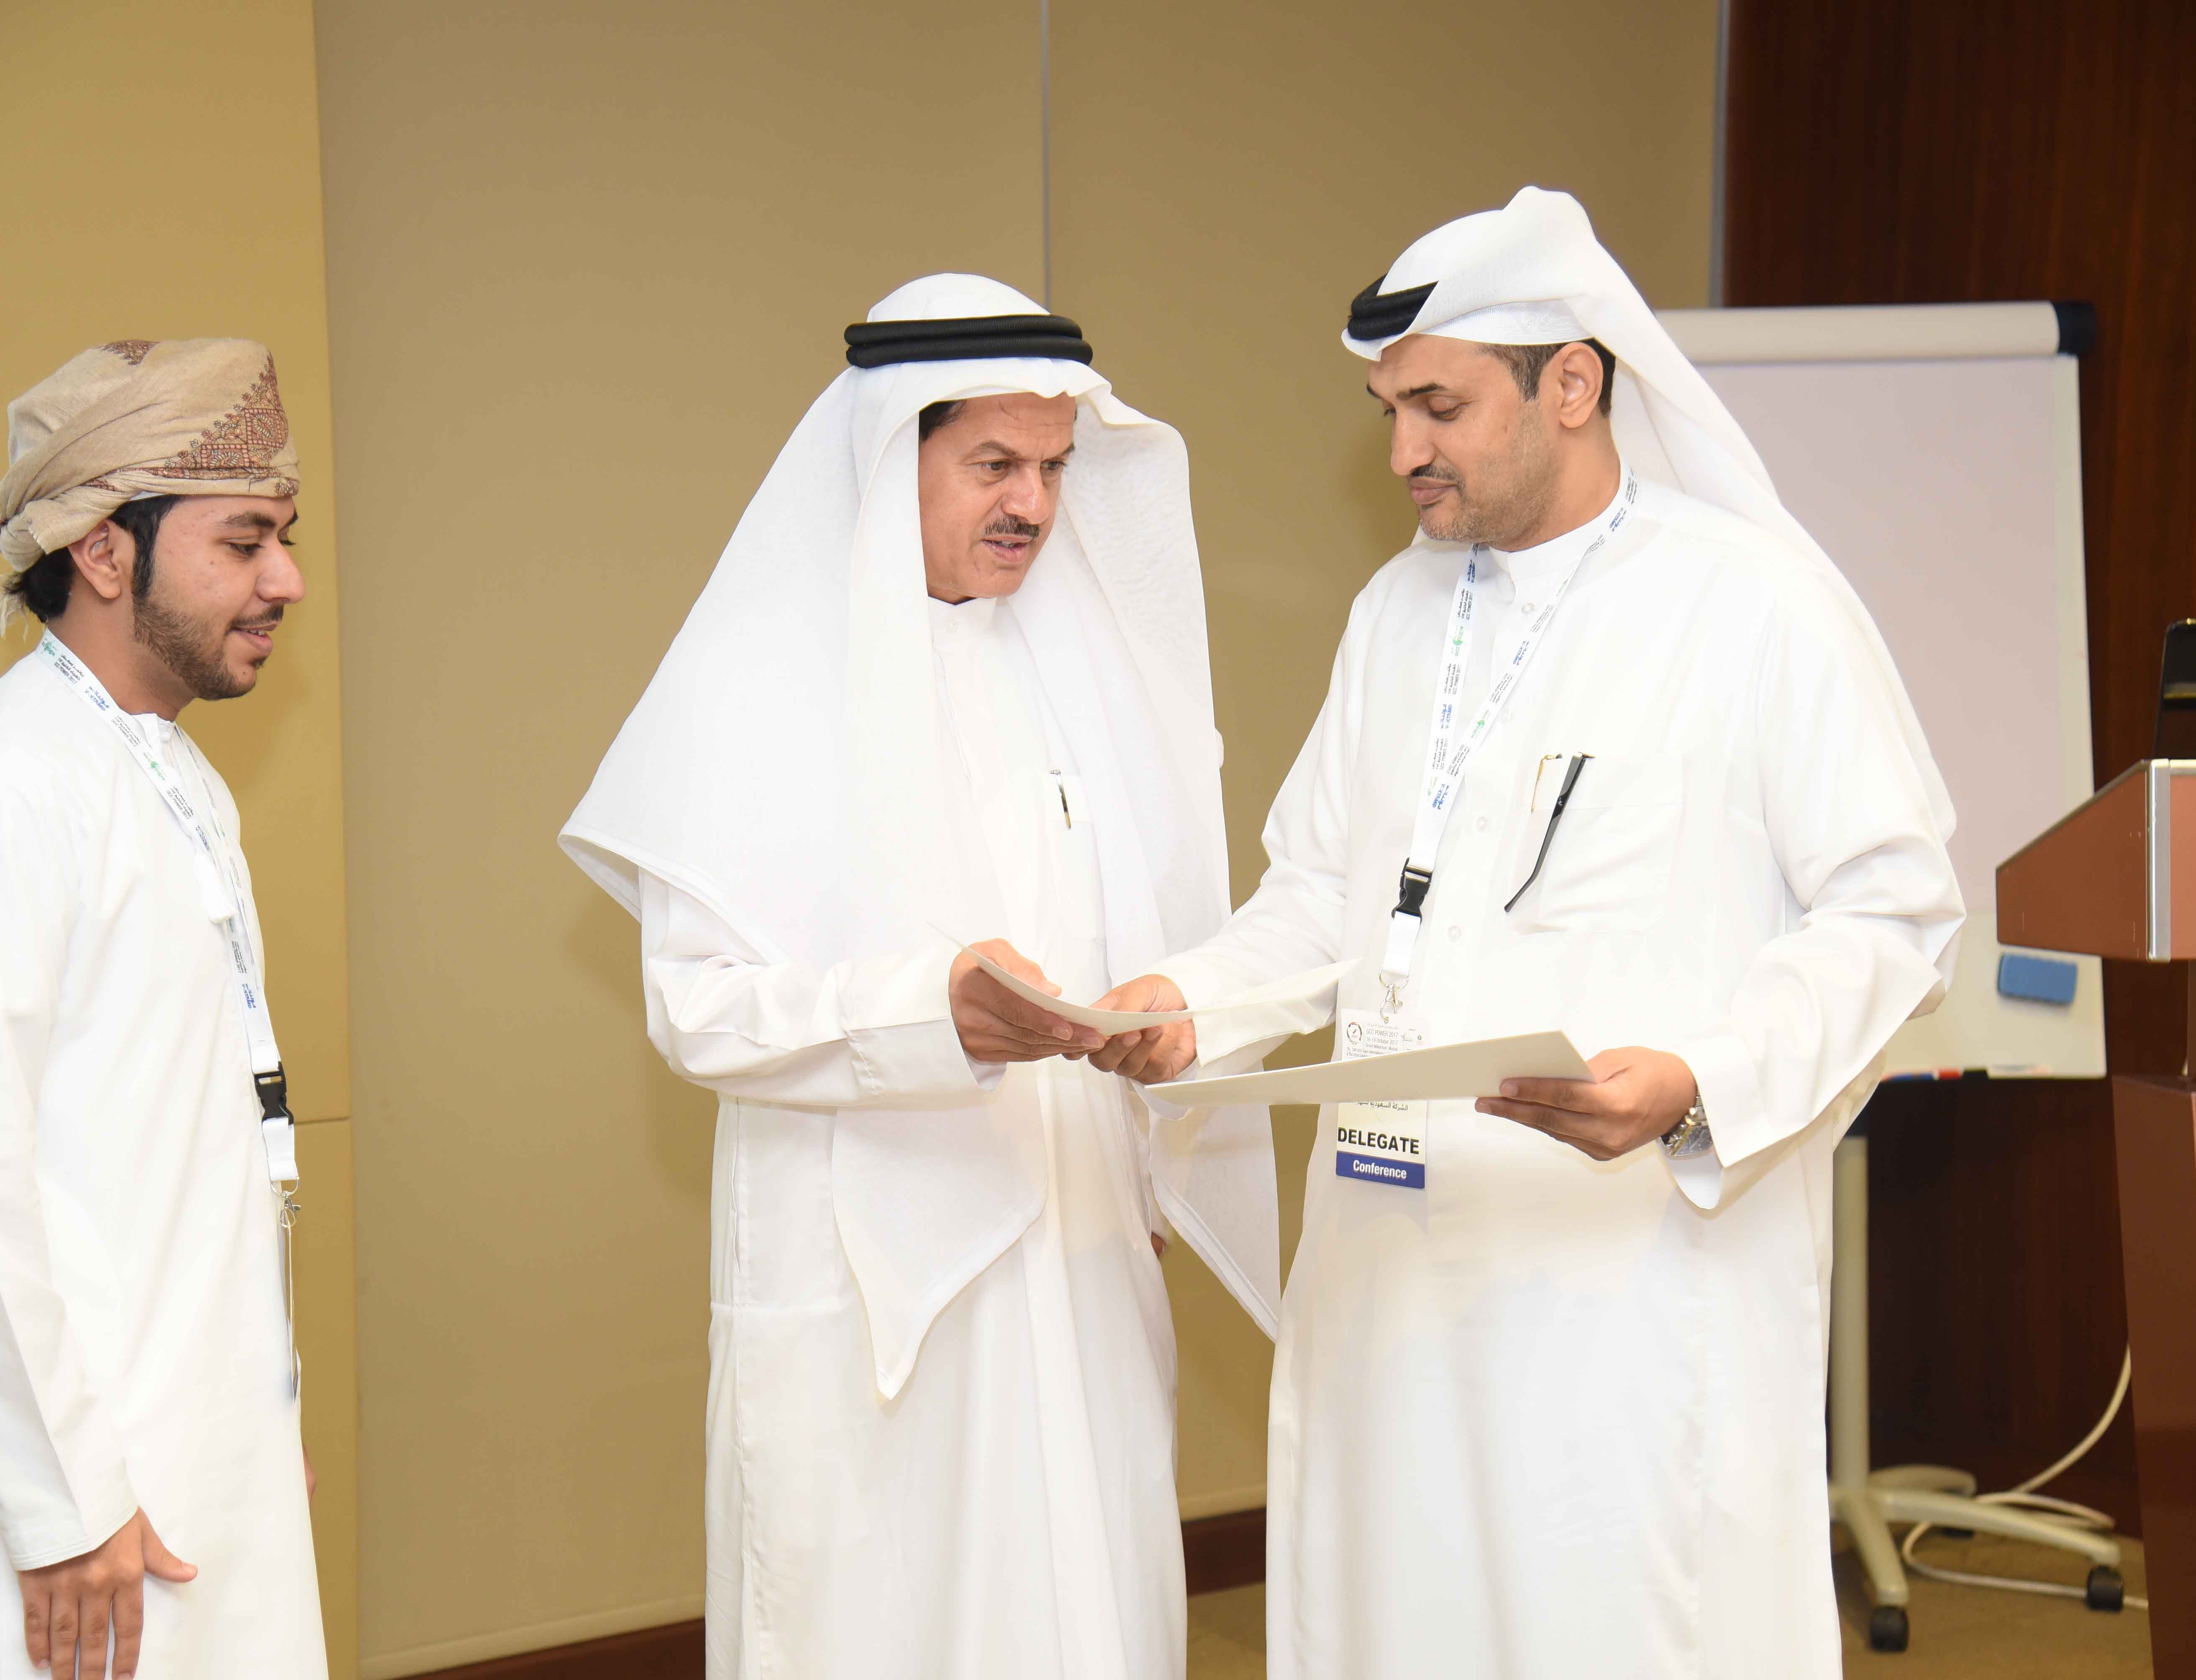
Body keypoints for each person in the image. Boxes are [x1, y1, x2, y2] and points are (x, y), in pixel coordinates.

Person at [1092, 188, 1966, 1677]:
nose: (1402, 452)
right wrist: (1188, 1002)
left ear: (1573, 382)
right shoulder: (1395, 613)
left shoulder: (1753, 607)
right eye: (1388, 410)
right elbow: (1319, 895)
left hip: (1623, 1293)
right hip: (1391, 1278)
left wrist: (1697, 1080)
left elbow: (1895, 911)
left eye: (1439, 407)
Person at [559, 275, 1279, 1680]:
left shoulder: (1076, 674)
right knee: (884, 1619)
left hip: (1076, 1237)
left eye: (1054, 469)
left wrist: (1155, 1086)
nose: (1032, 505)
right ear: (895, 458)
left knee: (1082, 1611)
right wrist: (924, 1016)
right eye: (994, 464)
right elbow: (696, 1008)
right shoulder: (759, 682)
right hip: (859, 1265)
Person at [0, 338, 326, 1680]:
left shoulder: (174, 778)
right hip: (69, 1521)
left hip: (192, 1464)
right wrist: (62, 1506)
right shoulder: (0, 792)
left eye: (286, 539)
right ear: (107, 552)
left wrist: (255, 1418)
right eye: (244, 542)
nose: (287, 582)